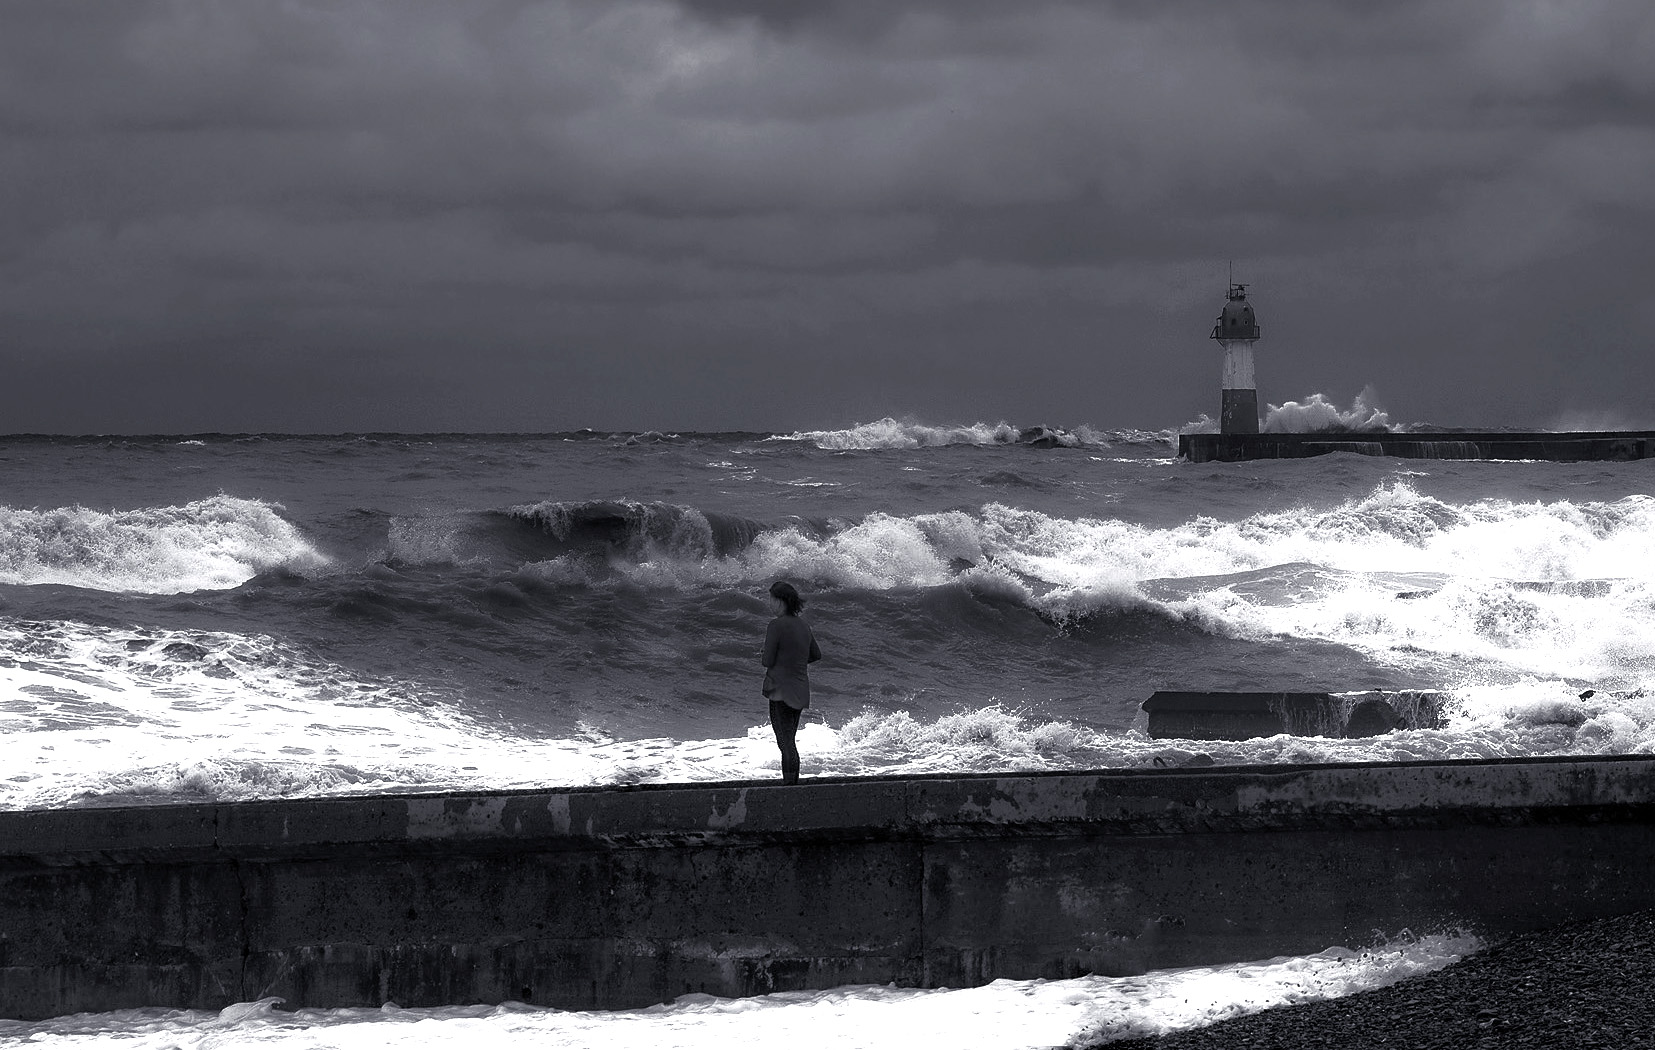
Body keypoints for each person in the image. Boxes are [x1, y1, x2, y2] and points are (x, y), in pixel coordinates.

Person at [760, 580, 821, 785]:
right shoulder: (804, 625)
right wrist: (794, 659)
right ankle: (792, 784)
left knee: (785, 743)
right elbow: (815, 654)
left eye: (771, 599)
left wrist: (768, 656)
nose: (769, 603)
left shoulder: (775, 626)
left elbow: (767, 660)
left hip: (780, 689)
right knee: (790, 740)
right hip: (800, 688)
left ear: (780, 602)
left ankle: (789, 788)